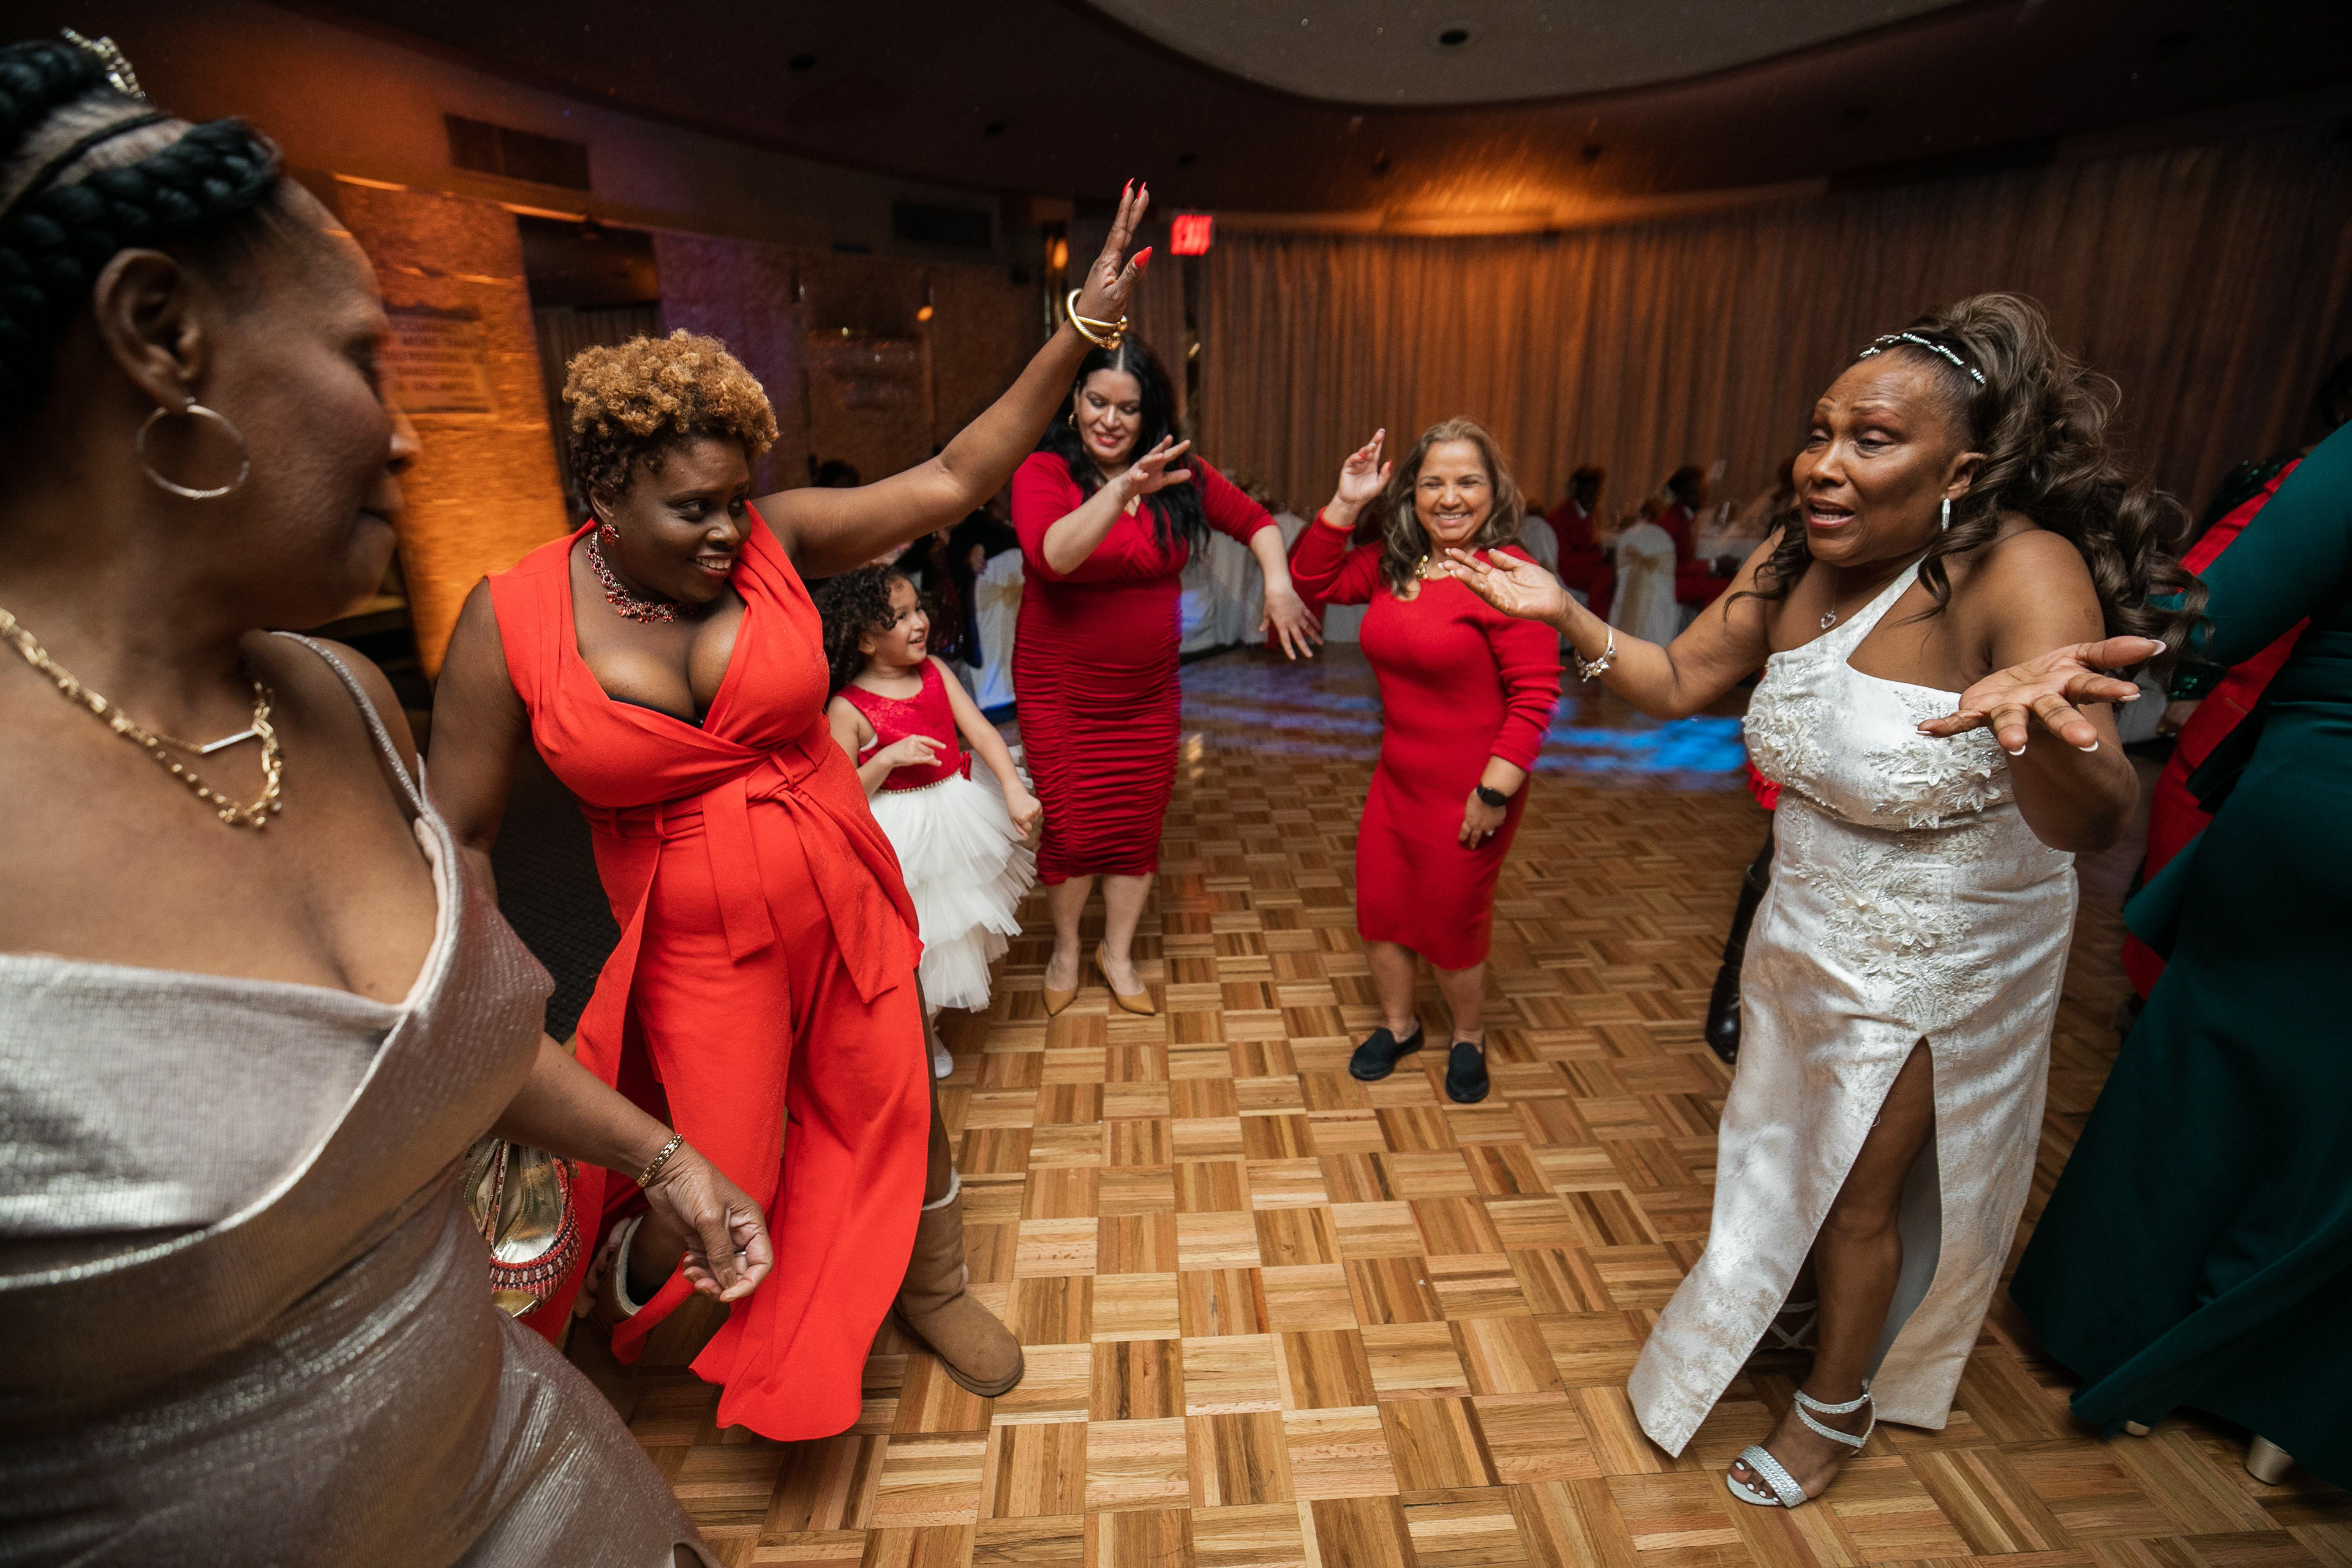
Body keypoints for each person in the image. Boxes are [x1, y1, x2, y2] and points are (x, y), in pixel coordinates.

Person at [0, 36, 769, 1562]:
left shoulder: (337, 697)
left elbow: (441, 1049)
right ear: (160, 335)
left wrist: (660, 1153)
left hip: (548, 1490)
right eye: (363, 359)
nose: (405, 431)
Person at [1447, 295, 2199, 1507]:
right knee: (1778, 1139)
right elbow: (1679, 676)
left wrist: (2052, 730)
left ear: (1963, 468)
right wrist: (1565, 611)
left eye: (1872, 439)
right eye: (1819, 431)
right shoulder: (1799, 557)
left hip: (1943, 941)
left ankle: (1836, 1402)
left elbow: (2095, 819)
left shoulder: (2023, 570)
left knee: (1859, 1187)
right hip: (1804, 909)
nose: (1824, 464)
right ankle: (1794, 1301)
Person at [428, 186, 1157, 1428]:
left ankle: (932, 1285)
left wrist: (1078, 327)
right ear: (604, 488)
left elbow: (956, 475)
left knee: (895, 1096)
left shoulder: (777, 537)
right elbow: (462, 834)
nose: (727, 529)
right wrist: (488, 995)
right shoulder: (511, 618)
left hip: (842, 880)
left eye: (736, 497)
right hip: (697, 939)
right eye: (692, 508)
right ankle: (646, 1305)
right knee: (727, 1162)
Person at [2008, 420, 2352, 1490]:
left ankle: (2115, 1336)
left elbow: (2210, 618)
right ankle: (2286, 1407)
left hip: (2322, 809)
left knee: (2209, 1068)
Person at [1011, 336, 1321, 1014]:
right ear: (1074, 399)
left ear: (1150, 412)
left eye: (1128, 408)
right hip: (1062, 692)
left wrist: (1277, 585)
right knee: (1071, 827)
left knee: (1134, 826)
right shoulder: (1043, 471)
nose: (1110, 420)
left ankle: (1117, 954)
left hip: (1148, 694)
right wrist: (1122, 489)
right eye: (1097, 401)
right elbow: (1053, 555)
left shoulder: (1179, 474)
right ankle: (1066, 950)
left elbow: (1258, 522)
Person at [1289, 421, 1562, 1105]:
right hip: (1397, 778)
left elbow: (1535, 699)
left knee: (1451, 921)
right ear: (1411, 492)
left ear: (1494, 490)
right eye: (1433, 482)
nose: (1450, 497)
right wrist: (1346, 503)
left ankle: (1467, 1036)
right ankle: (1400, 1026)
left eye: (1468, 481)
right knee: (1381, 907)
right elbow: (1312, 577)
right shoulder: (1396, 562)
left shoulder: (1510, 576)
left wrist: (1492, 795)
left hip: (1475, 787)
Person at [2118, 353, 2352, 999]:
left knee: (2202, 1000)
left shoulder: (2324, 471)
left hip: (2295, 779)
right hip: (2272, 768)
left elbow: (2207, 614)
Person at [818, 565, 1040, 1077]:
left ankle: (928, 1027)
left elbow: (981, 733)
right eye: (899, 618)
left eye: (918, 609)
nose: (919, 622)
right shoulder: (847, 707)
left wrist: (1011, 787)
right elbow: (841, 794)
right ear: (867, 641)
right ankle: (906, 1032)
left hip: (955, 819)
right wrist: (887, 759)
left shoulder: (937, 672)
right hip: (896, 835)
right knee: (908, 940)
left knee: (952, 934)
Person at [1545, 464, 1613, 614]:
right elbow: (1566, 559)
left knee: (1612, 573)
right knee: (1604, 576)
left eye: (1595, 493)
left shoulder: (1588, 514)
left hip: (1578, 567)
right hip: (1564, 572)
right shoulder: (1562, 516)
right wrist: (1599, 556)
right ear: (1577, 491)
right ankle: (1596, 622)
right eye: (1587, 492)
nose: (1592, 498)